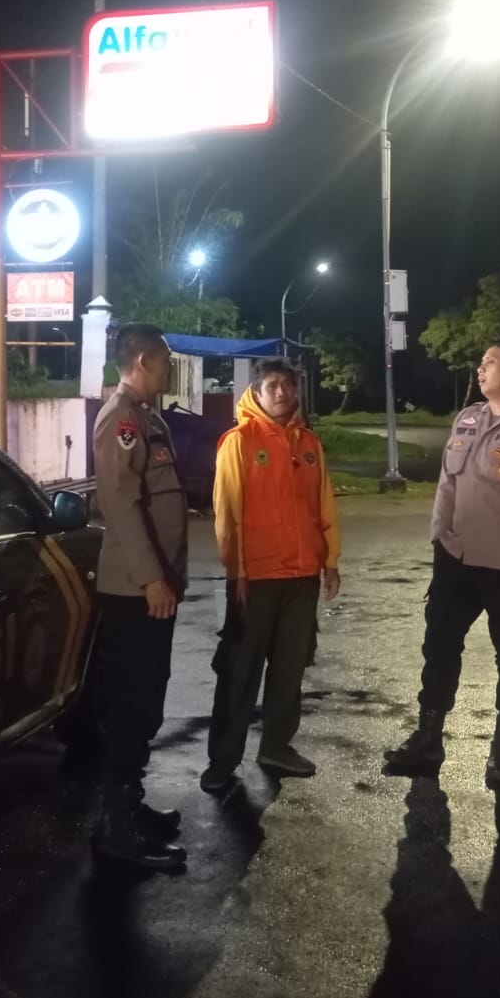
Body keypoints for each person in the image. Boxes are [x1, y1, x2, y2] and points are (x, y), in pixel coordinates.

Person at [383, 337, 500, 788]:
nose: (480, 369)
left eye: (489, 362)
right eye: (481, 363)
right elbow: (447, 483)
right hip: (456, 558)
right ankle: (428, 739)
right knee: (439, 647)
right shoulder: (466, 418)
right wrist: (438, 538)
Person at [200, 358, 341, 793]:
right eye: (273, 385)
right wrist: (237, 570)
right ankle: (222, 761)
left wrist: (330, 560)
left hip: (302, 577)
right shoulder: (239, 442)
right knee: (239, 672)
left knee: (289, 669)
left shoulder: (309, 444)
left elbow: (324, 504)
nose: (281, 392)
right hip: (255, 578)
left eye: (287, 385)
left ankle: (277, 746)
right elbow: (227, 512)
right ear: (257, 393)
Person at [90, 323, 189, 872]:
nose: (170, 368)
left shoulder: (147, 417)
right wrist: (153, 578)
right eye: (166, 360)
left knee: (147, 699)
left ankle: (129, 805)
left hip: (153, 586)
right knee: (132, 705)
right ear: (145, 361)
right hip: (135, 589)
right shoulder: (122, 419)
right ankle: (115, 828)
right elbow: (122, 505)